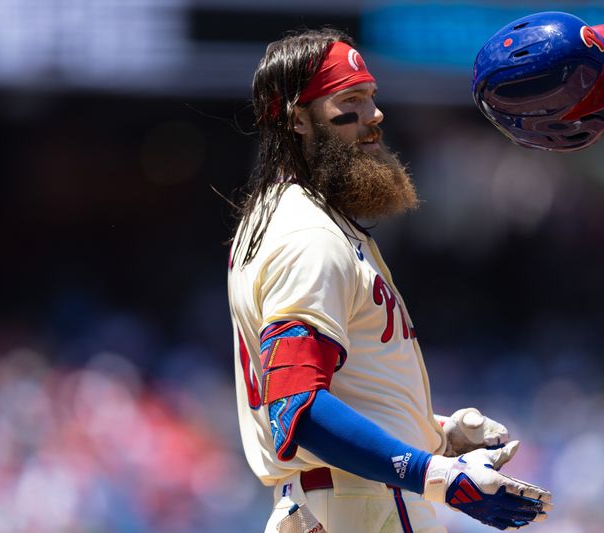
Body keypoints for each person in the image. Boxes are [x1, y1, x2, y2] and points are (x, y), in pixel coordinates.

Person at [227, 28, 552, 533]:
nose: (374, 115)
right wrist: (435, 474)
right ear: (295, 117)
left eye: (371, 97)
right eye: (351, 100)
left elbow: (339, 389)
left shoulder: (301, 217)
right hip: (359, 504)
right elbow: (296, 406)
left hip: (348, 500)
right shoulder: (308, 233)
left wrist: (437, 434)